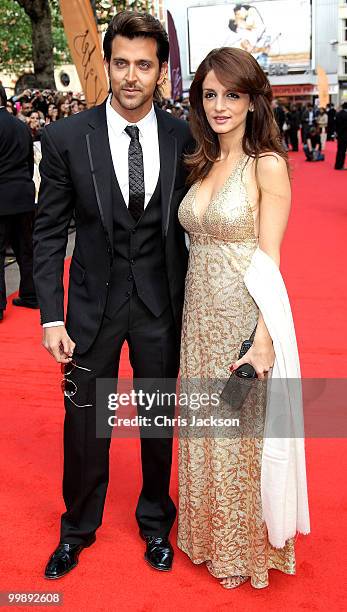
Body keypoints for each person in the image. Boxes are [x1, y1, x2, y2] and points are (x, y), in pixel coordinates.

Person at [33, 11, 194, 579]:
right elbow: (49, 233)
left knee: (157, 420)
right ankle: (76, 529)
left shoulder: (185, 136)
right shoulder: (65, 138)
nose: (131, 76)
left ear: (160, 71)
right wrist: (51, 316)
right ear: (107, 63)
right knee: (84, 423)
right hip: (88, 311)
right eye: (121, 62)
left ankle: (156, 522)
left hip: (160, 307)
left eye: (144, 65)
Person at [177, 47, 310, 589]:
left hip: (240, 320)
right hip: (197, 318)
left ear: (254, 99)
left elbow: (271, 259)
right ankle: (208, 539)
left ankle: (246, 553)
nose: (219, 105)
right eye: (210, 94)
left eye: (231, 94)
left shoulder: (268, 165)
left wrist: (263, 341)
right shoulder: (203, 159)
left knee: (237, 435)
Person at [0, 85, 38, 321]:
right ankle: (31, 294)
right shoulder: (21, 126)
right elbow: (29, 161)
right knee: (26, 250)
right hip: (23, 195)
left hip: (2, 196)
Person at [334, 102, 347, 170]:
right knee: (343, 151)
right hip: (345, 135)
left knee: (340, 151)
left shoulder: (338, 114)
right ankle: (340, 165)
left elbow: (335, 125)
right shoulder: (346, 115)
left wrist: (337, 133)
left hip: (340, 135)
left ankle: (338, 165)